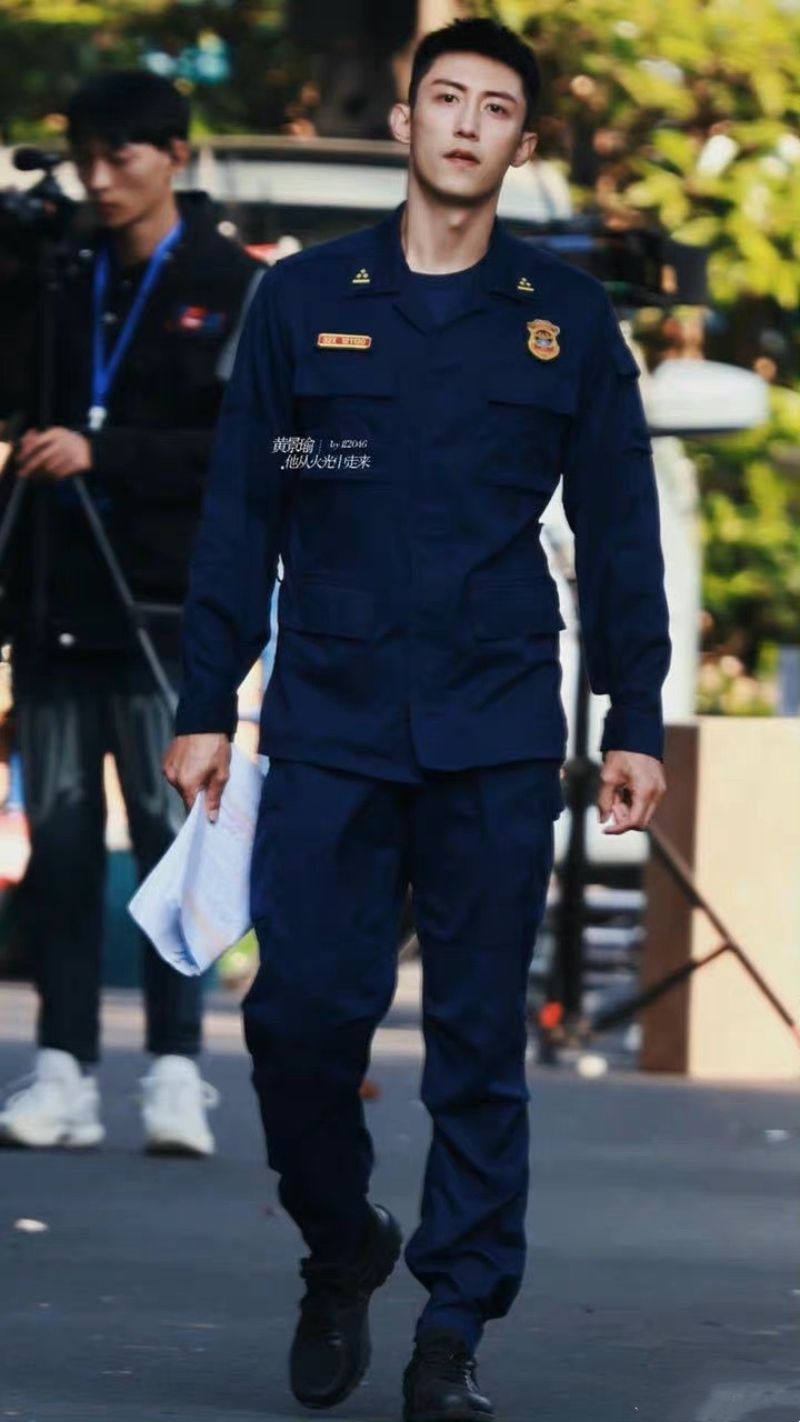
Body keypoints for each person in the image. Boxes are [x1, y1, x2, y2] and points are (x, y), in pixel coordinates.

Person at [165, 17, 670, 1420]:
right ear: (402, 124)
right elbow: (243, 512)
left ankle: (452, 1327)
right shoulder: (300, 299)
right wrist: (206, 701)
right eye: (442, 97)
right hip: (329, 716)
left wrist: (636, 714)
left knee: (475, 1045)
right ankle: (343, 1243)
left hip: (495, 721)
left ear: (519, 142)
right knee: (295, 1023)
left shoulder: (564, 316)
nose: (462, 122)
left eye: (493, 107)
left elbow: (619, 526)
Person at [0, 71, 259, 1156]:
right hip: (55, 599)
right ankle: (62, 1069)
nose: (102, 181)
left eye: (123, 158)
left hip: (168, 611)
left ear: (174, 157)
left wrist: (107, 452)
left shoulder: (233, 282)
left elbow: (249, 451)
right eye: (86, 161)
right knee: (59, 845)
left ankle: (175, 1070)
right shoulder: (61, 272)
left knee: (170, 839)